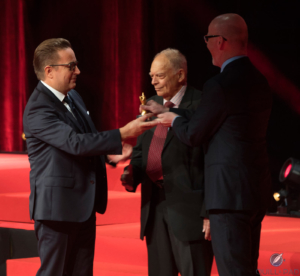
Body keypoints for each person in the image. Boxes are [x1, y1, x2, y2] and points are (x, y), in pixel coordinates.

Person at [142, 14, 272, 276]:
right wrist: (174, 115)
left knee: (233, 270)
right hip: (254, 192)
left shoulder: (219, 84)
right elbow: (219, 119)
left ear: (221, 41)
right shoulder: (260, 80)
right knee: (247, 267)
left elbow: (193, 135)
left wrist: (172, 122)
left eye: (208, 38)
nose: (206, 44)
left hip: (227, 197)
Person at [23, 38, 156, 276]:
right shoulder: (38, 108)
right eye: (71, 66)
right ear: (49, 71)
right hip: (57, 211)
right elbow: (74, 143)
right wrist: (123, 132)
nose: (78, 71)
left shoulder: (73, 97)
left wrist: (110, 154)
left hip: (82, 206)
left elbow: (88, 137)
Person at [121, 48, 213, 276]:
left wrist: (210, 211)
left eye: (159, 76)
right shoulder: (151, 103)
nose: (153, 82)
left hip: (191, 213)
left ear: (180, 75)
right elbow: (143, 151)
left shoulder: (202, 105)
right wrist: (132, 170)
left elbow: (213, 162)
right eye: (151, 76)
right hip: (155, 208)